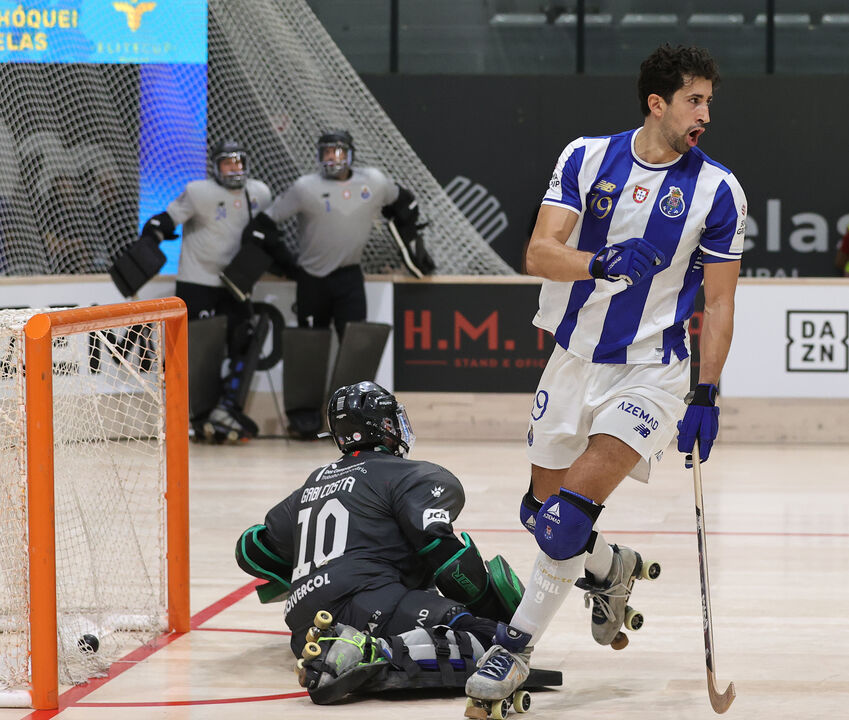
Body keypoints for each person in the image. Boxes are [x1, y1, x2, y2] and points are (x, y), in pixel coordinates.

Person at [464, 44, 746, 708]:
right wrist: (598, 263)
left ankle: (512, 651)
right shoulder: (585, 156)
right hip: (572, 359)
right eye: (693, 100)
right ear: (657, 103)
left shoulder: (716, 189)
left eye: (709, 100)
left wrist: (705, 390)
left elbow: (721, 300)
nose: (705, 112)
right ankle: (607, 569)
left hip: (652, 371)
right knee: (539, 513)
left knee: (565, 519)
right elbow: (539, 251)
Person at [234, 381, 536, 705]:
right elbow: (447, 559)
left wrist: (304, 576)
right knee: (491, 640)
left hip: (303, 627)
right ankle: (372, 652)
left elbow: (251, 548)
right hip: (368, 604)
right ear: (387, 425)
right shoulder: (410, 474)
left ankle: (346, 648)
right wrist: (491, 609)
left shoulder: (311, 483)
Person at [136, 139, 287, 441]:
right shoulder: (198, 192)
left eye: (239, 161)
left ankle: (225, 409)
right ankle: (189, 414)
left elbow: (269, 234)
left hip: (236, 284)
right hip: (198, 282)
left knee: (243, 344)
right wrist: (152, 233)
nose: (235, 168)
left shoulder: (259, 192)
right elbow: (166, 219)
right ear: (215, 166)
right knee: (196, 353)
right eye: (227, 162)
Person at [257, 130, 432, 338]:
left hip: (349, 276)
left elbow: (407, 203)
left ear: (350, 155)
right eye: (327, 152)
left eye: (338, 152)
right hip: (312, 279)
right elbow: (264, 223)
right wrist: (283, 262)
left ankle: (356, 373)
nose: (332, 158)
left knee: (355, 345)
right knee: (310, 348)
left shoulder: (374, 181)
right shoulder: (304, 187)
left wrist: (407, 237)